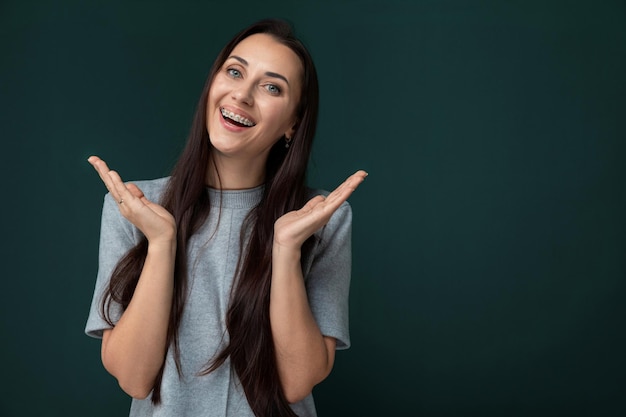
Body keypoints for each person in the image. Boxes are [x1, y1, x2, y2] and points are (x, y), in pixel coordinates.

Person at [85, 18, 367, 417]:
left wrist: (285, 251)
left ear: (293, 124)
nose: (242, 95)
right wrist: (162, 245)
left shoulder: (320, 219)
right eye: (235, 71)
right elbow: (133, 377)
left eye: (272, 87)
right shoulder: (135, 205)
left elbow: (296, 381)